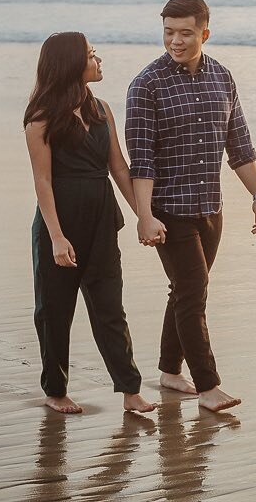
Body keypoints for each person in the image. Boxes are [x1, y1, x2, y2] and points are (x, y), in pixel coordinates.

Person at [126, 0, 256, 412]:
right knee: (193, 292)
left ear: (204, 32)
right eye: (168, 32)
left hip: (211, 207)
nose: (175, 40)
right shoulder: (146, 85)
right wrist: (145, 216)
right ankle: (208, 387)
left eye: (185, 33)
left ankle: (170, 372)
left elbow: (238, 144)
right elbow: (142, 159)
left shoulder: (222, 77)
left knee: (186, 291)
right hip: (169, 210)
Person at [24, 32, 157, 415]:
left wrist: (143, 217)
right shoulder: (41, 119)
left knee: (109, 308)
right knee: (54, 312)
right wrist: (56, 237)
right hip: (60, 223)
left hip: (101, 220)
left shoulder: (101, 109)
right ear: (71, 64)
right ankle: (55, 390)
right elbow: (43, 181)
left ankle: (130, 391)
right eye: (92, 55)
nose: (99, 60)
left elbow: (118, 167)